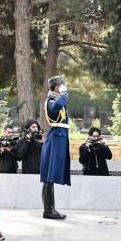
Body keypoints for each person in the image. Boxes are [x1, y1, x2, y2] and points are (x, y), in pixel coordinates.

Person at [39, 75, 71, 219]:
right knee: (49, 176)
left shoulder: (57, 99)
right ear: (57, 87)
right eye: (62, 85)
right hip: (56, 137)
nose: (64, 87)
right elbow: (56, 107)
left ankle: (50, 209)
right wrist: (64, 93)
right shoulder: (51, 101)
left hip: (60, 136)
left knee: (50, 177)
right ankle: (48, 210)